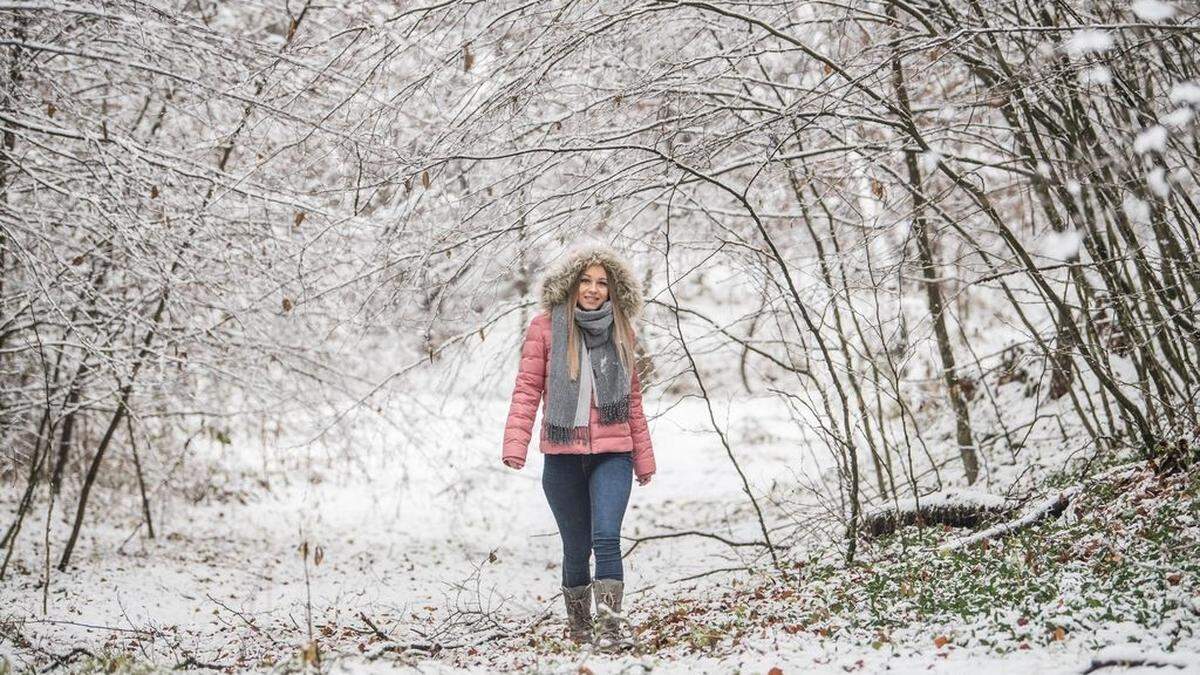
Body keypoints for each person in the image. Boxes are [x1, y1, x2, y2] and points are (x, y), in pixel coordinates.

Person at [501, 244, 656, 650]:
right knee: (575, 547)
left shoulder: (623, 330)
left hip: (612, 455)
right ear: (571, 284)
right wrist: (515, 444)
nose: (592, 289)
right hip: (563, 455)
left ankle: (609, 631)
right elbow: (527, 388)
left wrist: (643, 457)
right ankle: (580, 628)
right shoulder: (545, 328)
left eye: (602, 282)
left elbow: (633, 400)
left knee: (606, 536)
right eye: (585, 280)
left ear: (613, 289)